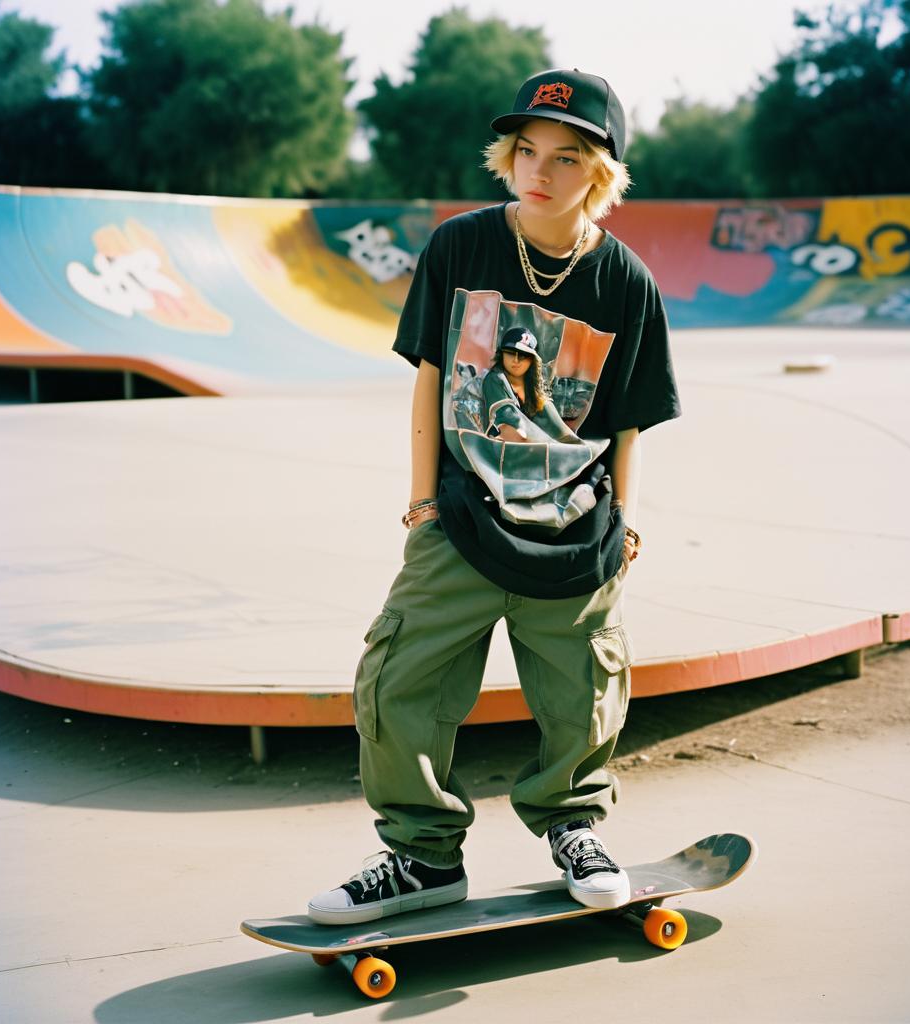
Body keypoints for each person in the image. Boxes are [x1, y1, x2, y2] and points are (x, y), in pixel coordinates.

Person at [308, 68, 680, 926]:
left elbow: (625, 421)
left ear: (601, 173)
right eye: (525, 152)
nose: (539, 171)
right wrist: (421, 502)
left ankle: (574, 825)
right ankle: (420, 854)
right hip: (462, 516)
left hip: (575, 527)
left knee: (584, 688)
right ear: (507, 157)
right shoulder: (462, 246)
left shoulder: (626, 284)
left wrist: (623, 519)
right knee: (399, 675)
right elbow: (431, 377)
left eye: (565, 157)